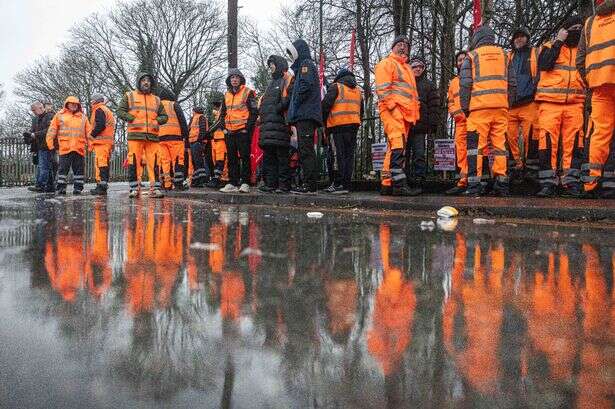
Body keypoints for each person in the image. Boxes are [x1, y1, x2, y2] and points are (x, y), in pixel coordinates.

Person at [460, 25, 516, 197]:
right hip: (500, 108)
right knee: (500, 147)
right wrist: (508, 104)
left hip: (478, 109)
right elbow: (512, 83)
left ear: (476, 39)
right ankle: (502, 184)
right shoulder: (506, 56)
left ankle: (474, 186)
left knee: (475, 148)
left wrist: (465, 107)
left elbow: (465, 84)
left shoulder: (471, 56)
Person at [535, 16, 586, 198]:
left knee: (574, 144)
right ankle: (548, 183)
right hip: (550, 103)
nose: (577, 30)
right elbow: (544, 64)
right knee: (547, 143)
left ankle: (570, 182)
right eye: (574, 27)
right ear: (565, 30)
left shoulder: (584, 49)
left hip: (575, 103)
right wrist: (558, 41)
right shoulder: (550, 46)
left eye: (580, 27)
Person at [577, 0, 615, 198]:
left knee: (600, 134)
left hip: (599, 86)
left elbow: (580, 59)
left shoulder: (590, 23)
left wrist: (590, 79)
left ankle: (591, 183)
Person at [374, 35, 421, 196]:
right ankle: (399, 185)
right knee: (398, 146)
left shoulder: (407, 68)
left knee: (394, 147)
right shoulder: (386, 63)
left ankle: (386, 184)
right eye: (399, 44)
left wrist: (414, 113)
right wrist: (393, 109)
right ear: (393, 47)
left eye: (406, 45)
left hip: (405, 114)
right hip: (393, 111)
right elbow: (383, 90)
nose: (403, 47)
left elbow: (412, 94)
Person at [117, 71, 168, 198]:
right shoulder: (129, 96)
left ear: (151, 83)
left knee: (155, 162)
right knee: (134, 161)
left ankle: (155, 188)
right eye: (143, 80)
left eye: (148, 80)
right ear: (139, 82)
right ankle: (134, 188)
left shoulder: (156, 99)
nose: (146, 82)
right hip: (135, 136)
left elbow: (165, 116)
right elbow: (120, 111)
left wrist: (157, 121)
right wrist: (131, 118)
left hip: (152, 136)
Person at [286, 39, 323, 194]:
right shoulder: (302, 66)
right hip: (304, 114)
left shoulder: (306, 65)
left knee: (306, 150)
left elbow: (305, 86)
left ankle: (310, 184)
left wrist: (296, 101)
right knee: (304, 149)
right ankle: (307, 183)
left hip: (306, 114)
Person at [506, 27, 541, 181]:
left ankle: (531, 169)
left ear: (527, 38)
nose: (519, 39)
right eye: (516, 37)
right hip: (510, 104)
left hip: (529, 102)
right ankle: (515, 167)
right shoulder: (508, 56)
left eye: (522, 37)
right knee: (509, 137)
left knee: (532, 136)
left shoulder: (535, 53)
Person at [321, 68, 364, 194]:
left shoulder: (336, 87)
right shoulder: (358, 91)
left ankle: (338, 183)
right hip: (353, 127)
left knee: (338, 155)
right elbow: (361, 110)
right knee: (349, 156)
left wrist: (324, 123)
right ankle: (346, 184)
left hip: (337, 126)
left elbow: (325, 106)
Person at [219, 69, 258, 193]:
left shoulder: (248, 92)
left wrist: (247, 129)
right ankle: (232, 182)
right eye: (232, 78)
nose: (234, 80)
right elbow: (222, 114)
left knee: (245, 157)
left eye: (237, 77)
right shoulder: (226, 95)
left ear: (241, 79)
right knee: (231, 158)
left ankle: (245, 182)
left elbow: (254, 112)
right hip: (229, 132)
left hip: (242, 131)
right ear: (229, 80)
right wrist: (224, 128)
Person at [258, 55, 293, 193]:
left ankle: (284, 185)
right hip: (268, 127)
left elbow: (288, 98)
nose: (270, 67)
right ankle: (271, 184)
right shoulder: (270, 84)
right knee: (269, 157)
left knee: (282, 157)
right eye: (270, 64)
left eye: (272, 64)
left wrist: (277, 109)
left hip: (280, 126)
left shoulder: (285, 80)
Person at [45, 96, 91, 195]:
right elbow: (52, 131)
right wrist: (50, 144)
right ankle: (61, 188)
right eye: (71, 103)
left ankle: (78, 189)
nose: (74, 105)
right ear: (67, 104)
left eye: (76, 104)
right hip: (65, 148)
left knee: (79, 171)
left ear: (78, 105)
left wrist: (91, 145)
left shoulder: (83, 117)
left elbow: (89, 133)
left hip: (79, 148)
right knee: (62, 171)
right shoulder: (59, 115)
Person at [408, 55, 440, 192]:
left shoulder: (429, 85)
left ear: (424, 68)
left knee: (419, 154)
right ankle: (405, 179)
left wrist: (433, 123)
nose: (417, 69)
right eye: (414, 66)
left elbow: (434, 105)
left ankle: (419, 180)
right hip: (405, 124)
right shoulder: (405, 84)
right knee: (402, 154)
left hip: (420, 126)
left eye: (420, 66)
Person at [446, 51, 469, 195]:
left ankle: (475, 181)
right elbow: (450, 102)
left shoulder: (475, 77)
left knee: (477, 151)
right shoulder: (454, 82)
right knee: (460, 151)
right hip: (460, 122)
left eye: (464, 59)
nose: (461, 62)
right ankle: (462, 181)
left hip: (474, 120)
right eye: (459, 60)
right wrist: (455, 113)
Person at [158, 88, 189, 191]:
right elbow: (182, 121)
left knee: (165, 161)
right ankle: (178, 184)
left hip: (161, 138)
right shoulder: (174, 105)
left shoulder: (157, 106)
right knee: (177, 160)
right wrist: (185, 136)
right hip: (176, 137)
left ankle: (166, 184)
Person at [24, 101, 55, 192]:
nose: (33, 112)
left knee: (43, 166)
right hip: (39, 146)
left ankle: (40, 185)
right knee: (46, 167)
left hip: (47, 145)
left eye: (34, 110)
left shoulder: (50, 116)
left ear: (41, 108)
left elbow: (49, 130)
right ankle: (50, 186)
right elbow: (33, 131)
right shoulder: (36, 119)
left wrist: (34, 135)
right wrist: (28, 137)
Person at [88, 94, 116, 196]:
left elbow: (100, 125)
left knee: (101, 164)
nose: (91, 102)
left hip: (101, 143)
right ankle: (101, 185)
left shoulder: (99, 110)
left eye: (92, 101)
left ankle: (101, 187)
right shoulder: (106, 110)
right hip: (106, 143)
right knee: (103, 164)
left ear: (95, 101)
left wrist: (91, 135)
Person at [207, 100, 228, 189]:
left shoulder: (223, 112)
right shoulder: (219, 113)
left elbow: (219, 124)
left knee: (221, 160)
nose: (215, 108)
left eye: (216, 106)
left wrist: (209, 131)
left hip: (222, 139)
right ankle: (219, 178)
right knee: (218, 160)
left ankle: (221, 179)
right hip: (217, 139)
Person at [188, 106, 209, 187]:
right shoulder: (198, 118)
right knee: (196, 162)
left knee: (198, 162)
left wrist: (199, 141)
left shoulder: (199, 117)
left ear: (194, 111)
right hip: (194, 142)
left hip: (196, 142)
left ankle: (201, 180)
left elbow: (202, 130)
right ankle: (197, 180)